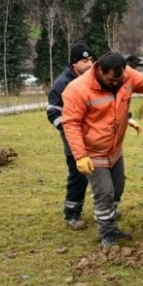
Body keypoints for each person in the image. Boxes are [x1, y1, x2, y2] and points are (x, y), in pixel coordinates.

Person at [61, 51, 143, 248]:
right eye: (114, 79)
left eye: (121, 78)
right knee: (104, 192)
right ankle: (107, 234)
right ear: (101, 71)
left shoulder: (125, 76)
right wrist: (80, 156)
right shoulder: (77, 90)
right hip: (93, 151)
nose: (118, 82)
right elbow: (71, 123)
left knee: (117, 188)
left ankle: (111, 224)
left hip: (115, 148)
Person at [47, 43, 95, 230]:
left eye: (91, 60)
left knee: (103, 172)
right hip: (73, 139)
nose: (90, 64)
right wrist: (70, 131)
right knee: (78, 176)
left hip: (95, 137)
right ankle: (72, 214)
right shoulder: (62, 84)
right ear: (74, 63)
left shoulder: (93, 79)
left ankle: (106, 208)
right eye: (85, 61)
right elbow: (53, 112)